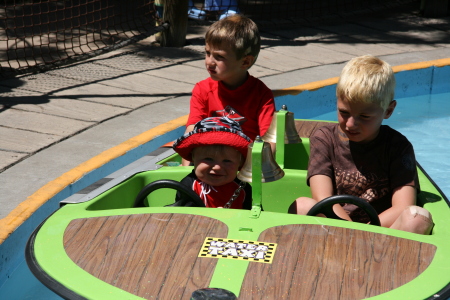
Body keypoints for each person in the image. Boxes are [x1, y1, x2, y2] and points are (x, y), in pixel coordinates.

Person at [289, 55, 433, 235]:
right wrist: (350, 232)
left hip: (380, 233)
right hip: (335, 227)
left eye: (364, 117)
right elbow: (322, 196)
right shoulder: (324, 138)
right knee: (302, 205)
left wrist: (363, 232)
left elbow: (404, 205)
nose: (350, 124)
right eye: (344, 112)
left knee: (418, 218)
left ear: (388, 111)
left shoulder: (398, 146)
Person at [182, 13, 275, 165]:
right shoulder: (203, 89)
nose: (209, 62)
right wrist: (186, 170)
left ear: (245, 62)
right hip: (209, 164)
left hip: (244, 166)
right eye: (207, 53)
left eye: (219, 57)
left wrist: (254, 171)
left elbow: (270, 141)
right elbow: (192, 131)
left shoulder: (261, 95)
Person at [172, 116, 253, 209]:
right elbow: (185, 218)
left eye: (227, 161)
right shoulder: (188, 185)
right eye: (208, 159)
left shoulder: (243, 188)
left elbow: (255, 218)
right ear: (193, 157)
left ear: (240, 162)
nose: (217, 167)